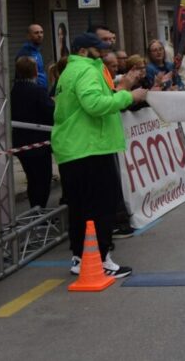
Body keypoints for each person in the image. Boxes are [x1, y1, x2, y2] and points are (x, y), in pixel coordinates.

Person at [52, 32, 147, 280]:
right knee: (102, 206)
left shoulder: (69, 71)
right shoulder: (87, 70)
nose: (104, 52)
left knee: (80, 208)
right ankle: (101, 259)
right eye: (99, 49)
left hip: (73, 148)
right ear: (83, 51)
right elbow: (94, 104)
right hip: (91, 147)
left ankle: (80, 257)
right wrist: (129, 96)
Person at [10, 56, 55, 209]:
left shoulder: (13, 91)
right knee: (43, 179)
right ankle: (40, 210)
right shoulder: (38, 91)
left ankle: (35, 208)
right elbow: (50, 112)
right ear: (35, 71)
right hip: (39, 143)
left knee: (32, 178)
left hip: (20, 142)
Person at [16, 24, 48, 90]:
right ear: (28, 36)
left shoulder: (37, 51)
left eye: (41, 32)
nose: (40, 35)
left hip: (41, 90)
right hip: (33, 91)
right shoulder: (25, 53)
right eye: (36, 33)